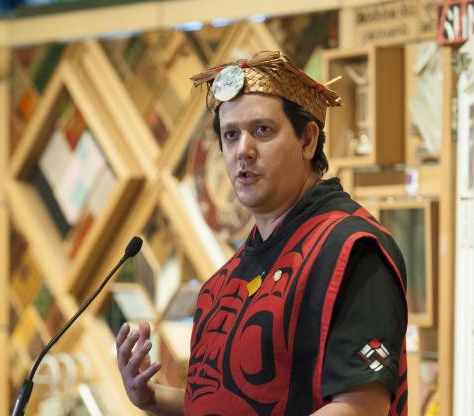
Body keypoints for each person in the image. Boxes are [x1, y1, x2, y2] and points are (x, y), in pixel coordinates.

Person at [116, 50, 408, 416]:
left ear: (308, 140)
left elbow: (361, 407)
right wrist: (153, 398)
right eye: (231, 135)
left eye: (262, 130)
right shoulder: (224, 281)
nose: (243, 151)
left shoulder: (350, 248)